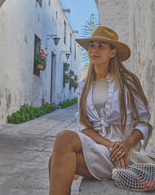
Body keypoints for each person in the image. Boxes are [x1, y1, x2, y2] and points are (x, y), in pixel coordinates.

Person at [48, 26, 153, 195]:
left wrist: (124, 145)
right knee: (60, 147)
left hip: (125, 153)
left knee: (57, 155)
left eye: (101, 46)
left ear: (113, 52)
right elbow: (84, 127)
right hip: (99, 148)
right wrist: (109, 145)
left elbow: (144, 123)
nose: (94, 50)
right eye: (92, 45)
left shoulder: (128, 82)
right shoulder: (83, 86)